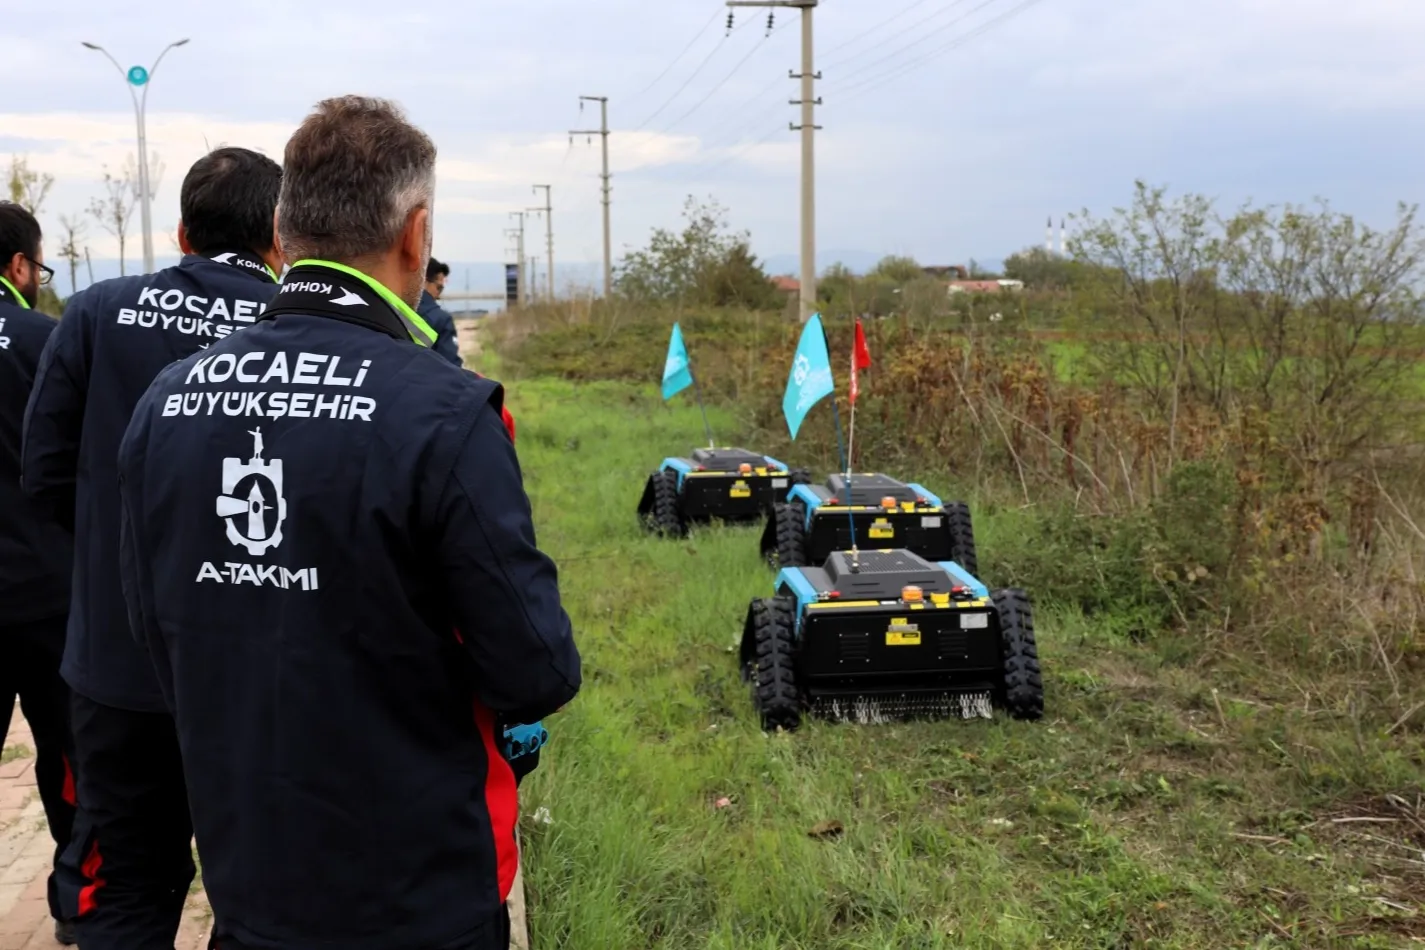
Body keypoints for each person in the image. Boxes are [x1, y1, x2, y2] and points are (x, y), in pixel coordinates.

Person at [116, 95, 580, 950]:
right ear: (416, 233)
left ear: (282, 230)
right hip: (418, 893)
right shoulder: (447, 412)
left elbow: (154, 629)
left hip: (248, 881)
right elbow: (535, 668)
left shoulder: (165, 400)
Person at [22, 147, 284, 950]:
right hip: (262, 677)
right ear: (280, 236)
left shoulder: (96, 314)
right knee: (264, 896)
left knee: (127, 887)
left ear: (181, 233)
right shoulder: (301, 332)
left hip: (117, 663)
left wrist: (117, 555)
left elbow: (44, 474)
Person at [0, 202, 78, 946]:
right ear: (20, 265)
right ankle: (72, 902)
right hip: (41, 585)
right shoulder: (40, 339)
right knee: (64, 750)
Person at [418, 257, 463, 366]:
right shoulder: (442, 320)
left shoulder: (389, 310)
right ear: (424, 281)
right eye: (439, 288)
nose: (439, 295)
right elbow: (451, 365)